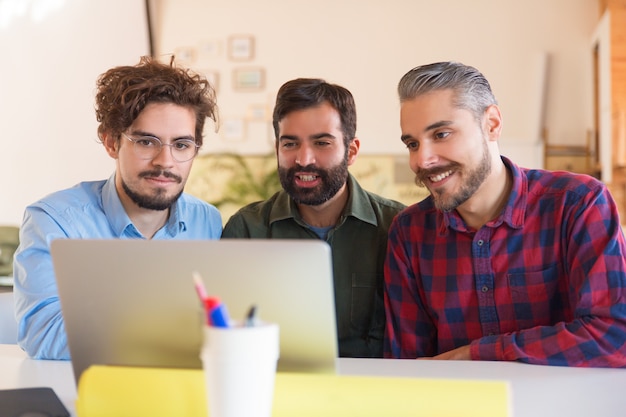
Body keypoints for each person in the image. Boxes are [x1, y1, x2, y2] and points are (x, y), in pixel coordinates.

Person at [383, 61, 626, 367]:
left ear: (492, 124)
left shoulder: (578, 204)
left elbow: (616, 335)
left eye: (441, 134)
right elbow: (406, 367)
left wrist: (474, 353)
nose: (422, 159)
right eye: (413, 144)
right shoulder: (409, 233)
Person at [13, 56, 223, 360]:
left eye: (181, 145)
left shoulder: (207, 221)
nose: (165, 162)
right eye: (147, 142)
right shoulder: (55, 222)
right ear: (111, 142)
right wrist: (171, 331)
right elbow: (44, 334)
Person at [222, 78, 406, 357]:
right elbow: (230, 340)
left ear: (352, 150)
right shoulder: (247, 229)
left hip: (369, 391)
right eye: (290, 144)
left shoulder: (397, 227)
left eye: (322, 143)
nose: (304, 159)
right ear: (277, 149)